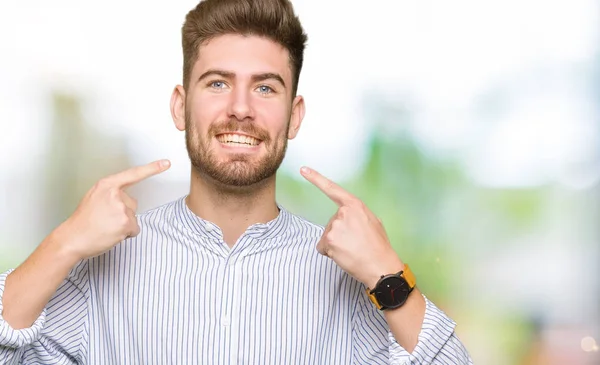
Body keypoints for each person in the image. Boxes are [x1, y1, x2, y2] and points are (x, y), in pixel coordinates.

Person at [0, 0, 472, 363]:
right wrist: (62, 244)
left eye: (265, 87)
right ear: (180, 106)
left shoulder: (347, 281)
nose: (241, 109)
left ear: (295, 115)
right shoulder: (100, 268)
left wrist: (387, 272)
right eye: (218, 83)